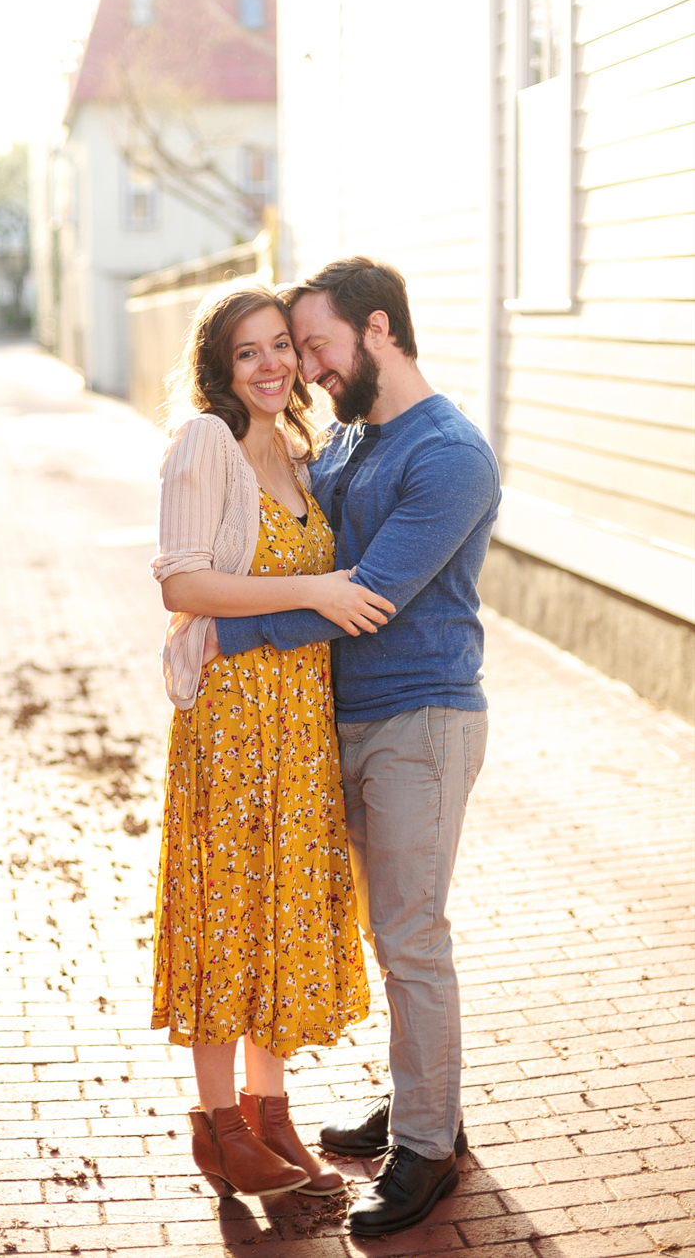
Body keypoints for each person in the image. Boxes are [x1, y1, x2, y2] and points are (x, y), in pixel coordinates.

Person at [214, 256, 502, 1236]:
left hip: (421, 718)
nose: (311, 371)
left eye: (322, 348)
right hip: (343, 721)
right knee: (388, 929)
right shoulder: (345, 440)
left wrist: (224, 631)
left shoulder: (448, 453)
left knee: (413, 935)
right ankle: (425, 1103)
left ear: (380, 330)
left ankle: (427, 1148)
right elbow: (301, 555)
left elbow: (364, 598)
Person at [150, 283, 394, 1200]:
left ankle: (267, 1111)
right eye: (248, 351)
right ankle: (217, 1123)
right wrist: (318, 592)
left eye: (282, 347)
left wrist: (324, 593)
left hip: (295, 725)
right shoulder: (203, 441)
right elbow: (183, 585)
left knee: (277, 915)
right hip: (230, 721)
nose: (271, 365)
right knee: (226, 911)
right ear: (219, 363)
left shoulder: (299, 452)